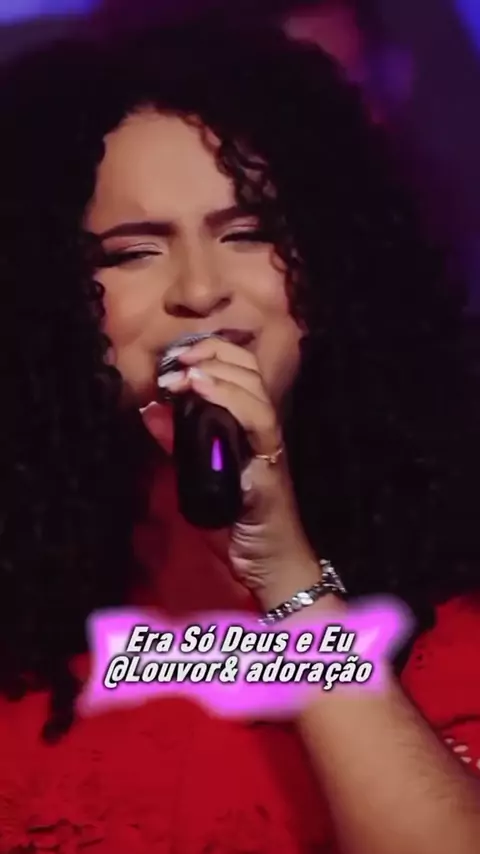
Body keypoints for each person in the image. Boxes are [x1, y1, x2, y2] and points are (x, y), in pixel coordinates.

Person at [0, 19, 480, 854]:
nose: (199, 290)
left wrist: (290, 582)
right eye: (132, 252)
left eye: (248, 234)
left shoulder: (456, 570)